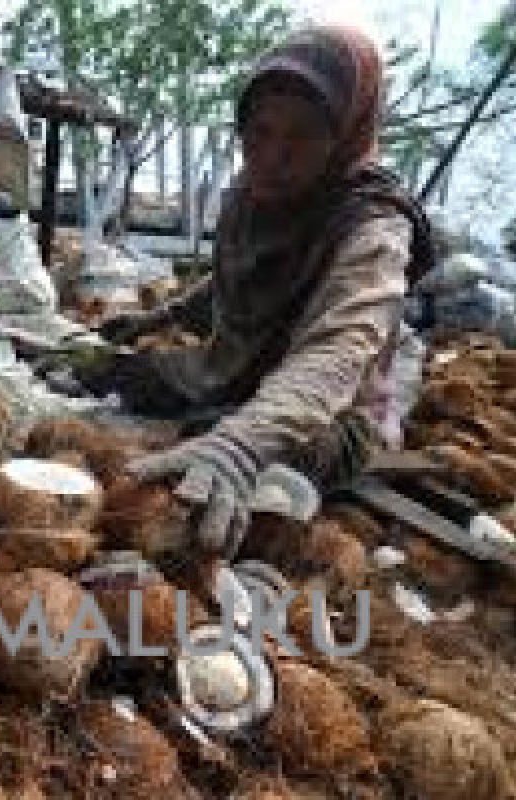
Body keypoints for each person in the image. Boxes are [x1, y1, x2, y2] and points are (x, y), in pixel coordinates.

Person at [86, 27, 434, 556]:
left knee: (261, 465)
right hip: (237, 369)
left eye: (302, 135)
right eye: (260, 130)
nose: (273, 155)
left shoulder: (373, 227)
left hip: (331, 406)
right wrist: (154, 320)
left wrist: (240, 443)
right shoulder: (250, 199)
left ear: (346, 134)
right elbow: (229, 283)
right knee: (114, 370)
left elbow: (341, 347)